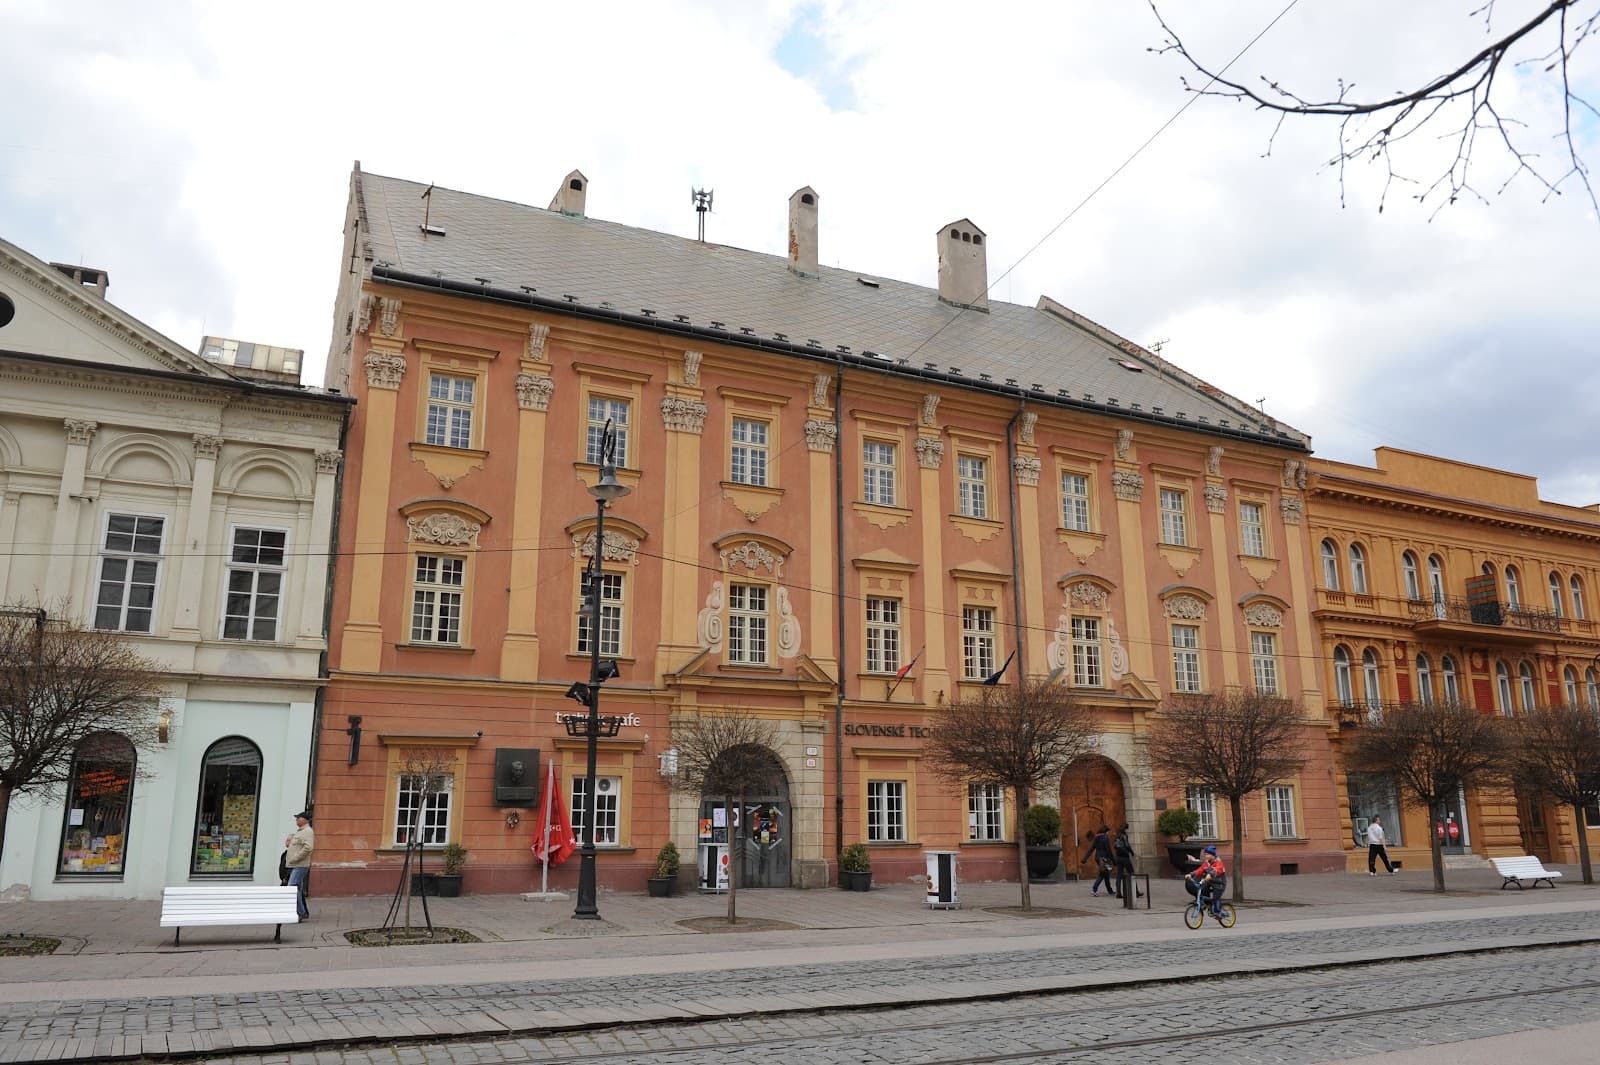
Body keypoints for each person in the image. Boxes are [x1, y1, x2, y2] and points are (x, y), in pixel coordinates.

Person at [284, 810, 315, 921]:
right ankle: (302, 911)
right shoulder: (300, 831)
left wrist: (295, 858)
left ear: (305, 819)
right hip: (295, 865)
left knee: (291, 888)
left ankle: (300, 912)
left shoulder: (307, 831)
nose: (296, 819)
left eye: (298, 818)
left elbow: (308, 848)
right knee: (297, 889)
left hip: (300, 865)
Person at [1186, 844, 1227, 915]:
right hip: (1209, 882)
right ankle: (1206, 904)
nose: (1206, 856)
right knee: (1200, 888)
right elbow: (1200, 870)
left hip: (1219, 884)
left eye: (1207, 854)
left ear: (1213, 855)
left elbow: (1217, 870)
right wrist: (1191, 874)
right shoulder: (1206, 863)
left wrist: (1210, 875)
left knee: (1215, 898)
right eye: (1205, 854)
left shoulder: (1219, 863)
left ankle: (1218, 911)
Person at [1083, 825, 1116, 897]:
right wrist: (1114, 860)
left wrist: (1085, 858)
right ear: (1105, 831)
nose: (1108, 833)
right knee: (1102, 874)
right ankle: (1094, 889)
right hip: (1104, 859)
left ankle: (1110, 890)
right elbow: (1109, 850)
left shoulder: (1096, 838)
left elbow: (1091, 849)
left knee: (1105, 874)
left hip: (1098, 858)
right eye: (1107, 832)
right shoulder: (1105, 838)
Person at [1113, 823, 1142, 899]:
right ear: (1125, 828)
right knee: (1131, 873)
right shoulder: (1124, 835)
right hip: (1125, 857)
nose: (1128, 830)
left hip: (1118, 857)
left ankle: (1118, 892)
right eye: (1127, 828)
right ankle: (1136, 892)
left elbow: (1115, 846)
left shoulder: (1117, 835)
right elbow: (1127, 845)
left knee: (1119, 875)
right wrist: (1131, 851)